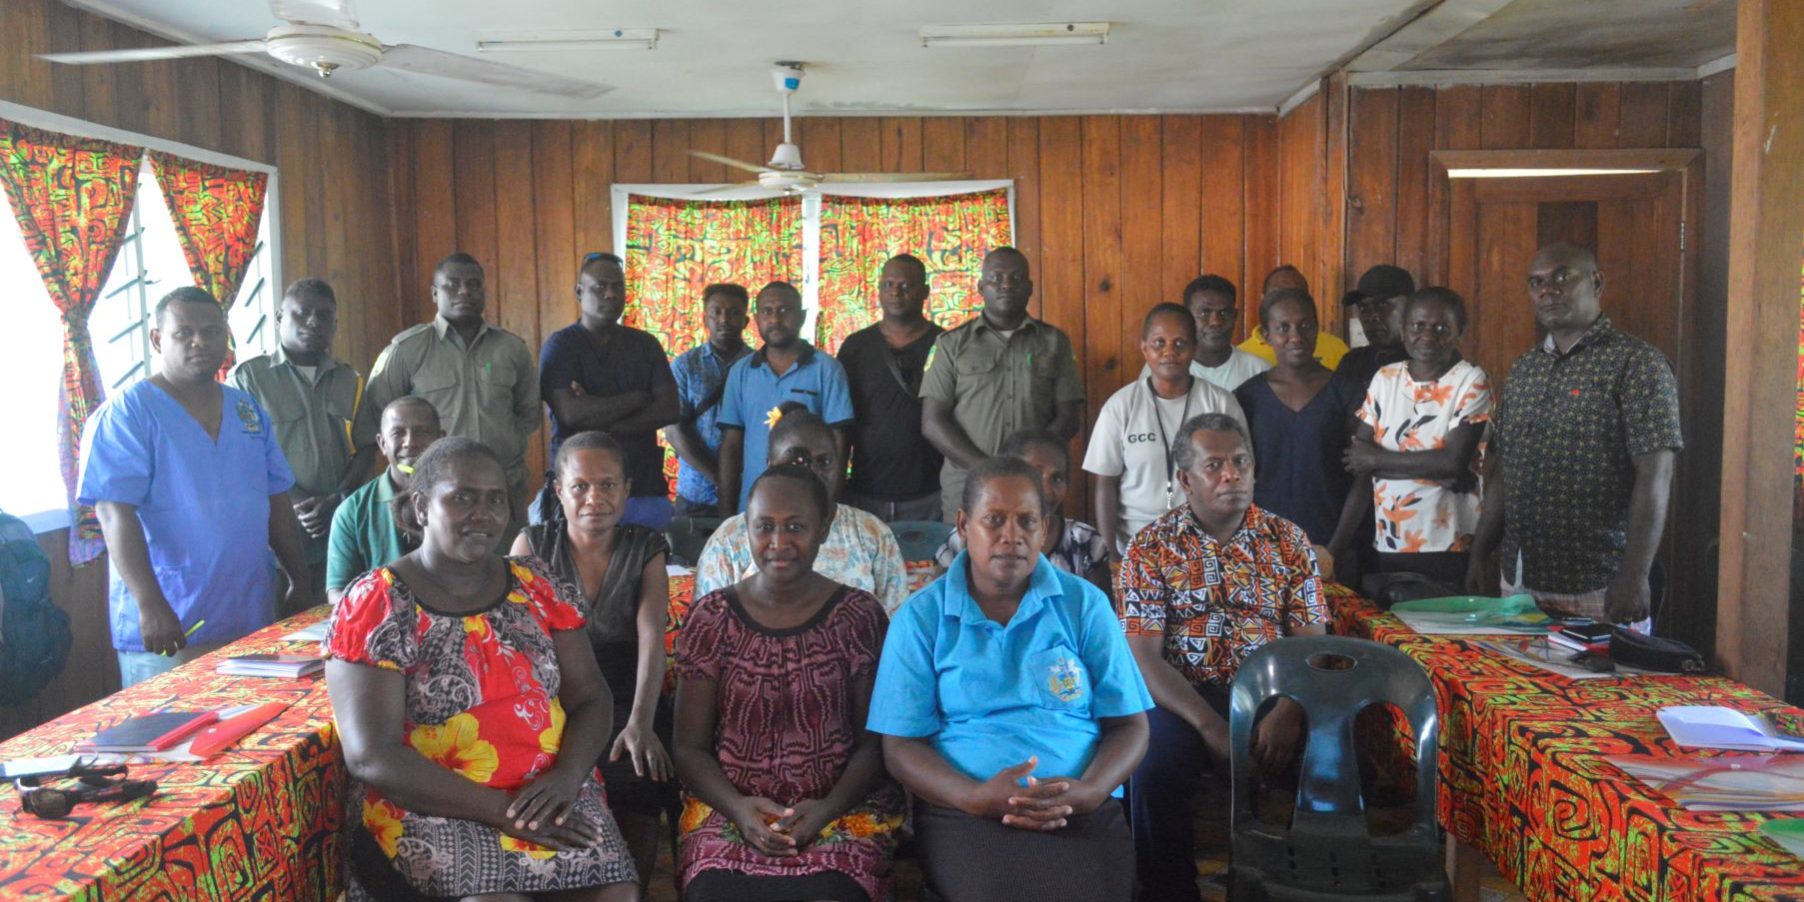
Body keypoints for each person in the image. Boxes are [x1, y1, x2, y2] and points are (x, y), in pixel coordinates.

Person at [324, 437, 639, 901]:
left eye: (495, 499)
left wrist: (567, 777)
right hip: (436, 805)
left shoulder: (537, 585)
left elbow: (592, 697)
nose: (483, 513)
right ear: (422, 506)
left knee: (614, 894)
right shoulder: (378, 603)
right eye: (462, 497)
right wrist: (503, 810)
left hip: (551, 793)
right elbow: (372, 754)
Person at [869, 456, 1153, 902]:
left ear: (1044, 529)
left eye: (1026, 521)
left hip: (1077, 805)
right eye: (993, 520)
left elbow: (1131, 726)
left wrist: (1091, 791)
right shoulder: (921, 618)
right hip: (966, 810)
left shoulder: (1085, 605)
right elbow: (901, 746)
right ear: (964, 525)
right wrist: (972, 796)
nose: (1011, 536)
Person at [1116, 413, 1330, 902]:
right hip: (1184, 697)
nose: (1231, 475)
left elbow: (1310, 644)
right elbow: (1144, 660)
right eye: (1215, 465)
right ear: (1185, 480)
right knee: (1148, 765)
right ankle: (1169, 890)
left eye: (1240, 462)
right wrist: (1213, 728)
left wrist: (1289, 712)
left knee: (1333, 753)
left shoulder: (1289, 541)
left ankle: (1305, 884)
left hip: (1276, 696)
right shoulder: (1149, 548)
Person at [673, 464, 903, 902]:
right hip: (730, 809)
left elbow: (873, 747)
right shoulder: (712, 618)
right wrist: (740, 809)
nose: (778, 543)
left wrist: (823, 812)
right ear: (746, 528)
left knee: (834, 894)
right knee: (714, 894)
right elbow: (688, 748)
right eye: (764, 527)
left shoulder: (858, 617)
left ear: (824, 527)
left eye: (795, 526)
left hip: (840, 809)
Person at [79, 287, 312, 688]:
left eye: (211, 331)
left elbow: (275, 499)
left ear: (226, 336)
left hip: (249, 613)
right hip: (170, 621)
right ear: (157, 339)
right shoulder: (127, 415)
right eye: (183, 332)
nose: (199, 342)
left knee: (255, 738)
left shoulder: (246, 410)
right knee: (173, 743)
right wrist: (149, 603)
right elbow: (114, 513)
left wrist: (299, 578)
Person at [1466, 244, 1681, 628]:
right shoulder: (1524, 370)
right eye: (1536, 282)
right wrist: (1480, 554)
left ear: (1596, 282)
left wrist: (1634, 575)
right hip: (1520, 580)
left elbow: (1656, 475)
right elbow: (1503, 470)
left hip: (1602, 582)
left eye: (1562, 276)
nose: (1547, 290)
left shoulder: (1637, 364)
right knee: (1518, 688)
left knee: (1606, 690)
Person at [512, 431, 676, 889]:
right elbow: (516, 645)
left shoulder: (646, 548)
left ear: (626, 489)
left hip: (628, 689)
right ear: (559, 491)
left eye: (608, 485)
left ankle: (631, 889)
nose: (594, 498)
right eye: (580, 486)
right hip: (554, 692)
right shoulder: (532, 546)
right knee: (544, 781)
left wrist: (641, 721)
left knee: (641, 773)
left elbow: (650, 640)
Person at [358, 252, 541, 537]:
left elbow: (528, 414)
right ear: (435, 293)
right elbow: (378, 411)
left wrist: (502, 443)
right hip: (434, 494)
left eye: (473, 284)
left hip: (502, 488)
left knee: (506, 572)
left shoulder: (511, 349)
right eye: (452, 284)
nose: (464, 291)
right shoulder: (407, 350)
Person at [1327, 288, 1491, 588]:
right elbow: (1357, 463)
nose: (1428, 335)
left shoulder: (1470, 380)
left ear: (1460, 331)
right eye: (1418, 326)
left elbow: (1452, 463)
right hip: (1389, 542)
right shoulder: (1385, 379)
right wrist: (1333, 551)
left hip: (1449, 545)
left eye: (1441, 327)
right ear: (1404, 329)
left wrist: (1377, 460)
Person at [232, 278, 374, 612]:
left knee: (340, 624)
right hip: (278, 534)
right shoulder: (249, 379)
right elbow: (244, 456)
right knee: (282, 634)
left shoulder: (349, 380)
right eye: (303, 313)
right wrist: (298, 503)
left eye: (324, 316)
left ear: (335, 325)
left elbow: (368, 446)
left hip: (339, 528)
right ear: (280, 317)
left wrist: (337, 500)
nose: (313, 321)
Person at [922, 247, 1085, 524]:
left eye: (1016, 278)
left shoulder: (1055, 342)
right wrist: (986, 469)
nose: (1006, 285)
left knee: (1034, 561)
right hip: (969, 485)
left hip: (1037, 487)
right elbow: (933, 423)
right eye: (996, 278)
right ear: (981, 287)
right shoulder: (951, 345)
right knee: (965, 563)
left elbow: (1069, 417)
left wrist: (1031, 465)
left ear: (1030, 287)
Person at [695, 405, 908, 613]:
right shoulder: (729, 540)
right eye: (797, 460)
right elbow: (710, 628)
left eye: (824, 461)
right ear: (770, 465)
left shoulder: (872, 533)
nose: (813, 472)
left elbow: (896, 629)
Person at [536, 253, 681, 531]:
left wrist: (596, 411)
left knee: (645, 569)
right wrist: (638, 398)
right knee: (576, 573)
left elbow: (670, 409)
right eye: (600, 286)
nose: (611, 294)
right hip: (580, 491)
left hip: (642, 487)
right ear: (579, 291)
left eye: (618, 286)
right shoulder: (561, 346)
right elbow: (570, 414)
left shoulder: (645, 345)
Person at [1089, 303, 1246, 556]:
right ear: (1144, 348)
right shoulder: (1121, 406)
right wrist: (1110, 555)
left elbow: (1241, 474)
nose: (1169, 352)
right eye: (1159, 343)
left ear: (1194, 348)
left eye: (1180, 343)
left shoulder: (1220, 402)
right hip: (1135, 545)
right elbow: (1105, 483)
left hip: (1207, 544)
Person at [1233, 288, 1363, 547]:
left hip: (1333, 542)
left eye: (1305, 325)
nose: (1296, 336)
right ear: (1267, 335)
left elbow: (1363, 477)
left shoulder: (1347, 391)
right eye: (1283, 327)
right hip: (1263, 543)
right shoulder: (1248, 396)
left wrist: (1335, 549)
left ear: (1317, 329)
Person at [716, 281, 854, 516]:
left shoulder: (827, 369)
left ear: (801, 317)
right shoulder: (741, 372)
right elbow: (731, 445)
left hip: (810, 505)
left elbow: (839, 443)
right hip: (753, 505)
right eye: (767, 311)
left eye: (784, 311)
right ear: (757, 319)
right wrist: (726, 511)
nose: (775, 320)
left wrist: (829, 505)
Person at [934, 429, 1111, 597]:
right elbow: (937, 606)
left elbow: (1102, 615)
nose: (1047, 490)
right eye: (1033, 475)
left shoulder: (1085, 542)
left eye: (1057, 478)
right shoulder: (964, 540)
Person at [837, 253, 946, 522]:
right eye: (888, 284)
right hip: (865, 491)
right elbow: (841, 423)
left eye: (906, 286)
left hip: (932, 493)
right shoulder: (856, 347)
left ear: (925, 292)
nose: (896, 292)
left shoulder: (946, 345)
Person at [327, 396, 444, 603]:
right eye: (398, 433)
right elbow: (338, 594)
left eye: (422, 432)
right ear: (382, 443)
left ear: (441, 439)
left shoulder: (464, 500)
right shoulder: (352, 512)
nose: (411, 442)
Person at [668, 284, 753, 517]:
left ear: (746, 321)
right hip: (696, 492)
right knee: (690, 553)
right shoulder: (685, 365)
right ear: (705, 319)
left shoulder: (759, 366)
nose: (724, 319)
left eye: (734, 312)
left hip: (749, 491)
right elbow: (674, 430)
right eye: (717, 312)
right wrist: (718, 477)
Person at [1136, 275, 1270, 391]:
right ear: (1187, 318)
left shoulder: (1258, 370)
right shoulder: (1163, 367)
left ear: (1235, 316)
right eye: (1205, 313)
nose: (1216, 322)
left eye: (1224, 313)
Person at [1236, 265, 1351, 370]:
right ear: (1263, 299)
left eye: (1297, 293)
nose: (1287, 300)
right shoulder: (1241, 354)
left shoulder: (1335, 349)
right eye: (1278, 293)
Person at [1333, 264, 1416, 393]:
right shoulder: (1353, 363)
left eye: (1382, 305)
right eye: (1363, 308)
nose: (1371, 317)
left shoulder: (1429, 363)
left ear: (1411, 307)